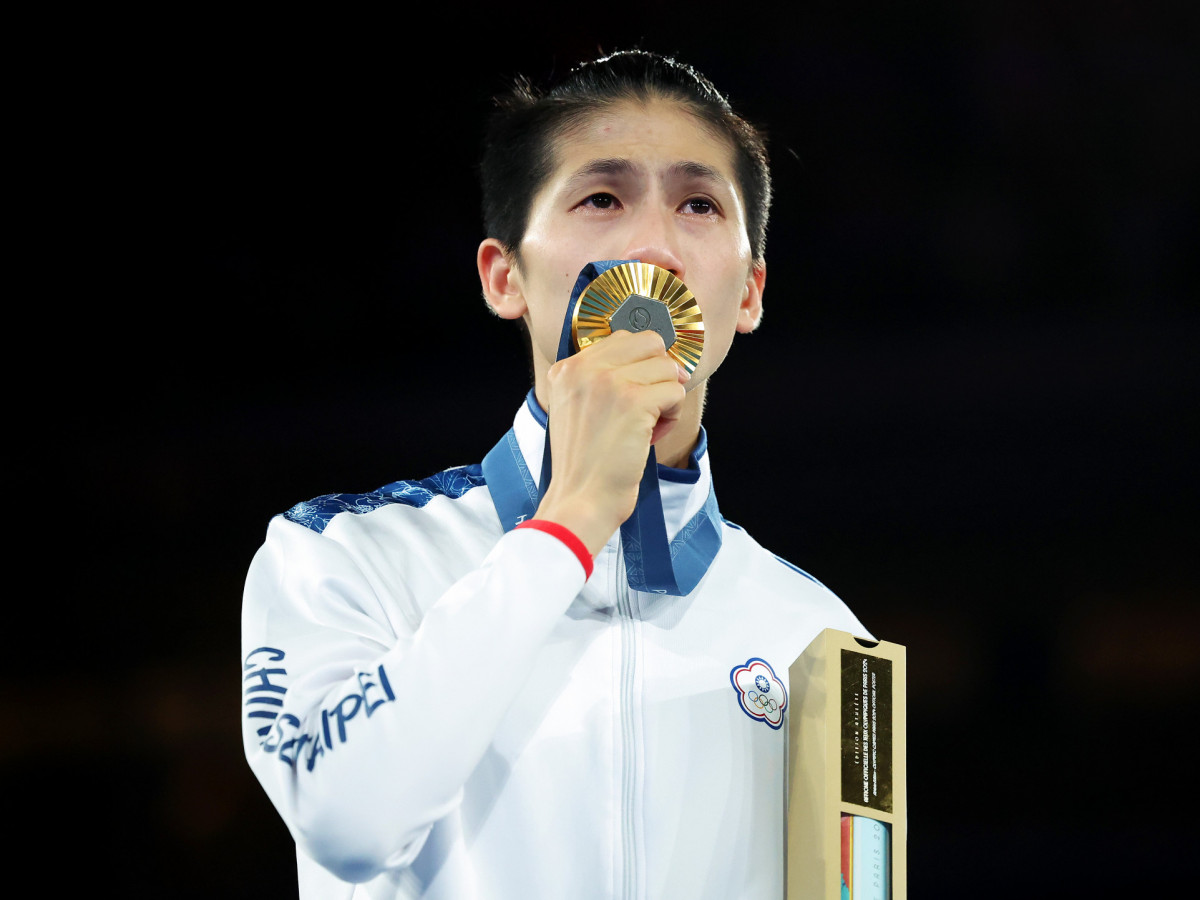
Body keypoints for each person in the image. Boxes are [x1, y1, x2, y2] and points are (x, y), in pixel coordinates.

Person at [241, 49, 870, 899]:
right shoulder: (340, 557)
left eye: (697, 204)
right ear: (506, 277)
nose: (653, 246)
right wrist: (565, 525)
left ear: (749, 293)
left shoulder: (822, 634)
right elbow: (346, 824)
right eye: (602, 198)